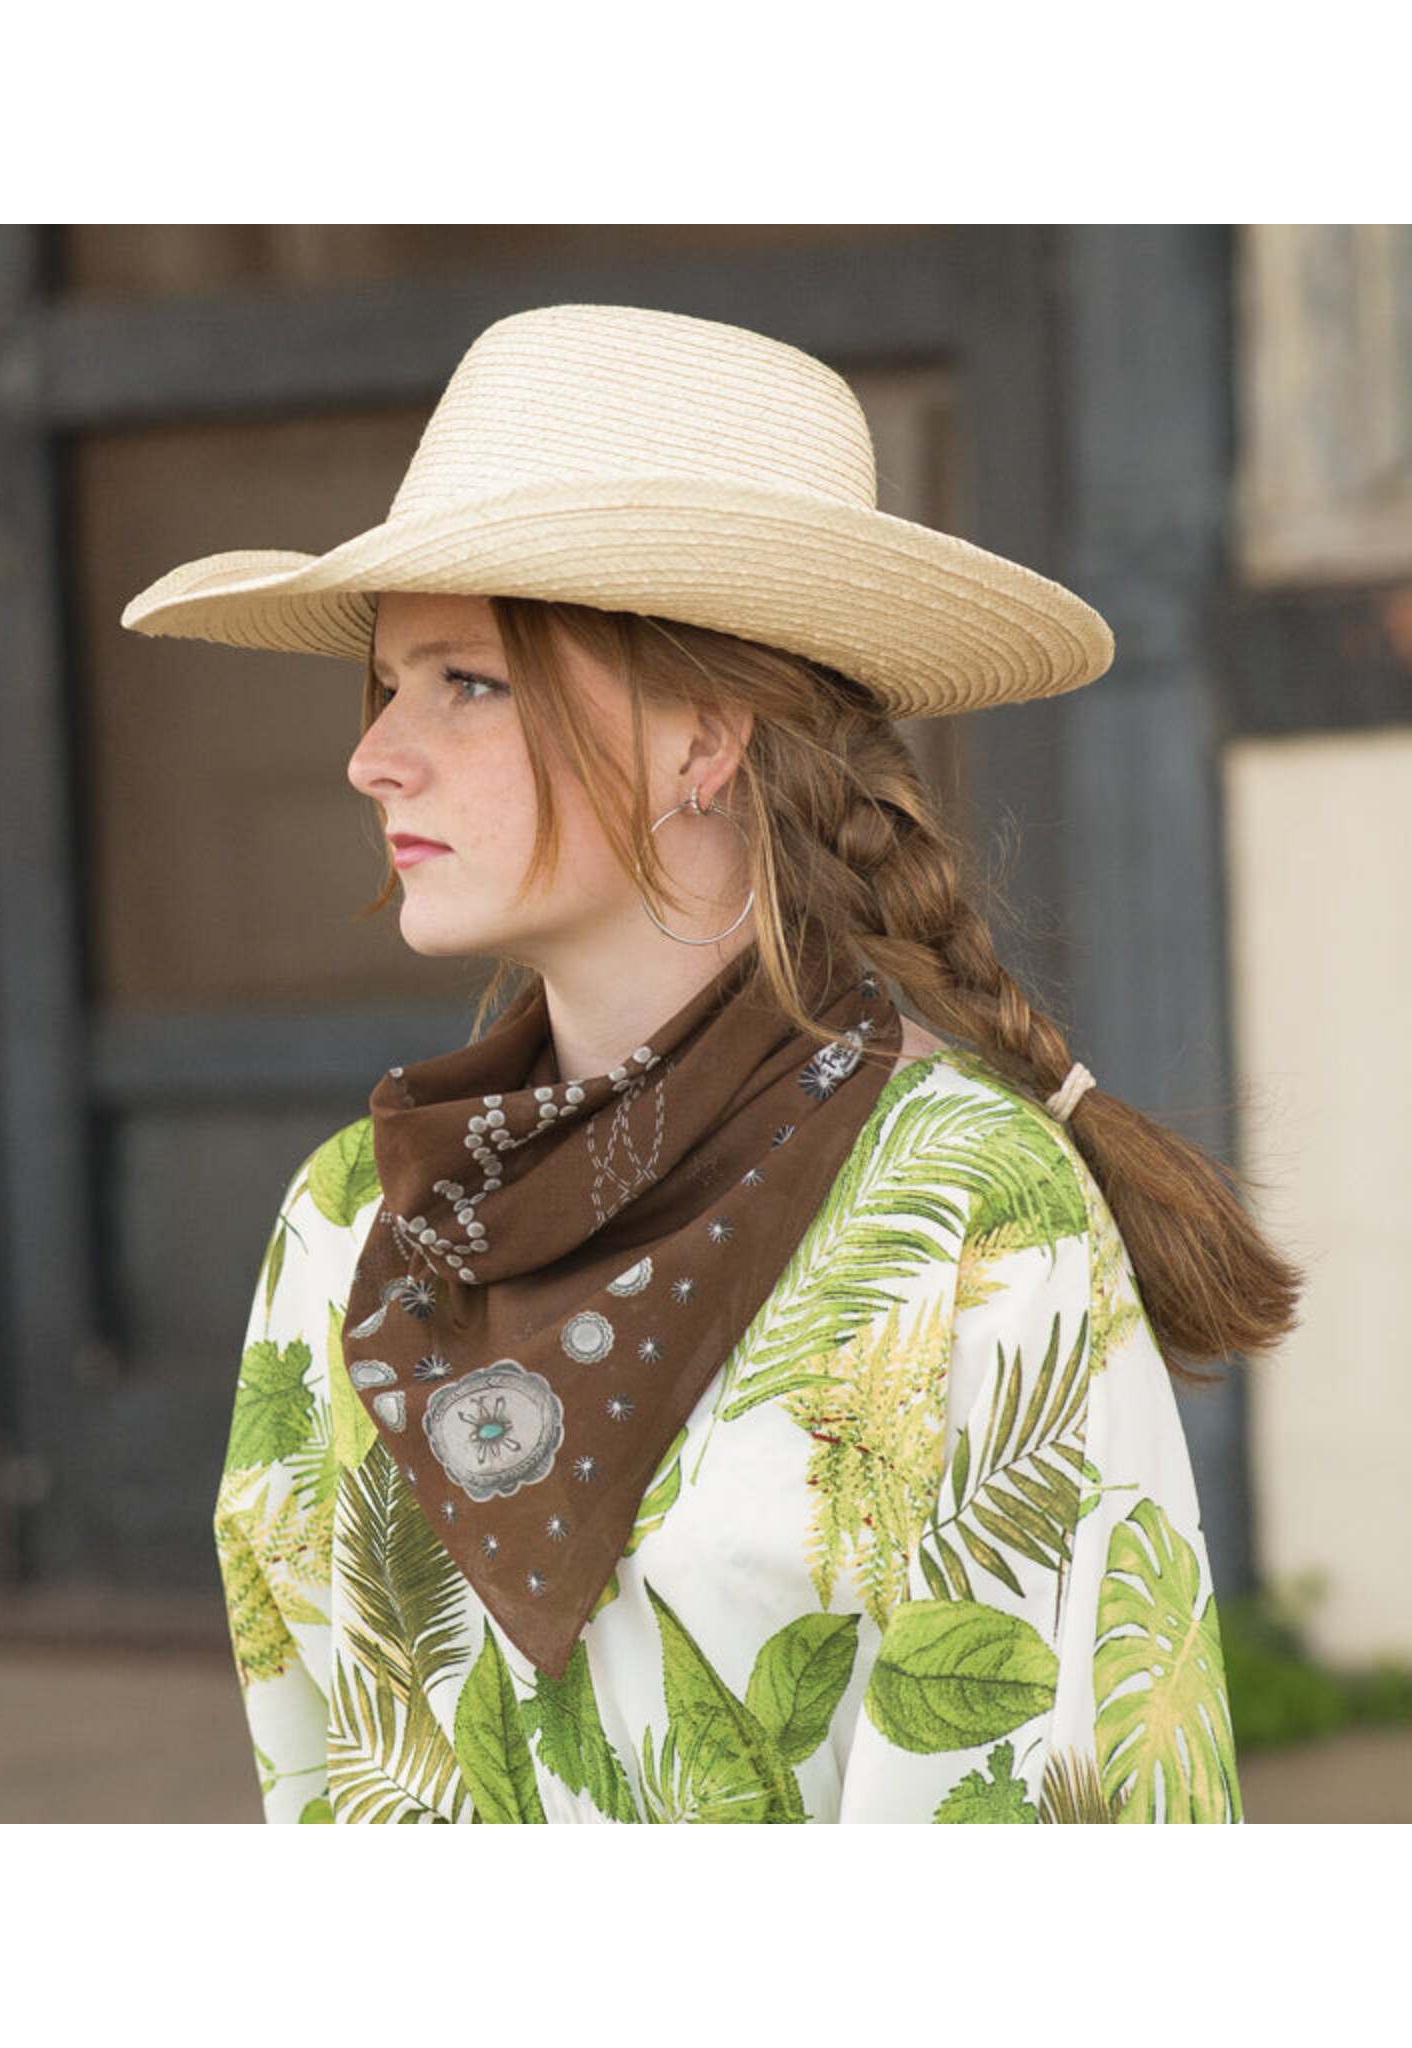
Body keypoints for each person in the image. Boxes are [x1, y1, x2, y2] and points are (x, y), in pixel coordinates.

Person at [123, 303, 1298, 1824]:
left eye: (466, 681)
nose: (372, 757)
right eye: (386, 682)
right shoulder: (350, 1219)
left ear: (703, 741)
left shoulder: (968, 1221)